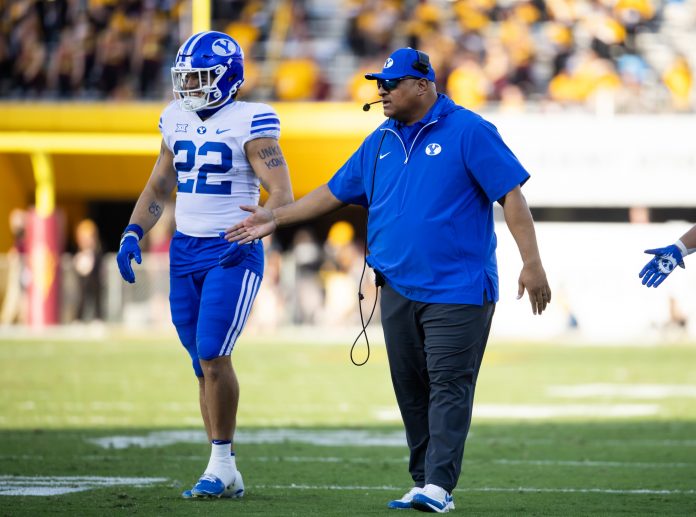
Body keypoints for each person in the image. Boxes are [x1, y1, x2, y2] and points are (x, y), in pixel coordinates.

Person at [224, 47, 551, 513]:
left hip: (458, 289)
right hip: (396, 286)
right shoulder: (379, 141)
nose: (382, 91)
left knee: (448, 385)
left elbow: (511, 197)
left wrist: (532, 262)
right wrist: (275, 218)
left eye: (391, 83)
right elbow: (332, 193)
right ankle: (424, 481)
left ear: (422, 85)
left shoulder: (471, 131)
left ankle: (439, 486)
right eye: (380, 83)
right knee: (410, 389)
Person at [116, 31, 293, 499]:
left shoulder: (251, 119)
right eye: (184, 77)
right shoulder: (174, 117)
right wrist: (134, 231)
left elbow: (281, 192)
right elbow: (158, 186)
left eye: (198, 77)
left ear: (227, 78)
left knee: (214, 352)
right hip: (184, 250)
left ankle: (219, 464)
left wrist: (266, 219)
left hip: (232, 246)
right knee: (201, 363)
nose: (188, 86)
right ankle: (224, 468)